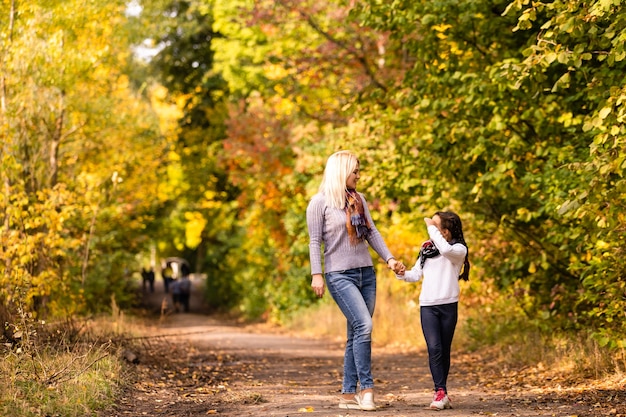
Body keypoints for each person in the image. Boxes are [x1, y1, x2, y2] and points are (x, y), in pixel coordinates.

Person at [306, 150, 405, 411]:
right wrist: (317, 274)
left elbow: (372, 233)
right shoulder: (319, 203)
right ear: (342, 172)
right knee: (364, 325)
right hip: (339, 275)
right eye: (355, 171)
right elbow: (315, 241)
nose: (358, 176)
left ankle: (347, 396)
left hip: (366, 274)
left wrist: (390, 259)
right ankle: (367, 390)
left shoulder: (358, 200)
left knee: (355, 334)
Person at [396, 211, 470, 410]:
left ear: (445, 232)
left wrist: (430, 226)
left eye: (435, 226)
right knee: (434, 348)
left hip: (448, 305)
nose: (430, 229)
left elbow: (444, 250)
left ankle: (442, 392)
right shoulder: (426, 248)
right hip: (428, 306)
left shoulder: (458, 249)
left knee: (444, 351)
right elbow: (416, 274)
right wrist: (402, 274)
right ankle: (440, 391)